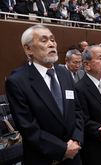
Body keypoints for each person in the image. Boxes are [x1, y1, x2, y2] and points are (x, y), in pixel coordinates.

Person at [5, 25, 83, 165]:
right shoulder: (17, 81)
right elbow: (28, 127)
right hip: (43, 159)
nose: (51, 44)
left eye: (53, 39)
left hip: (74, 156)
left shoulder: (64, 73)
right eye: (44, 40)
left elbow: (77, 110)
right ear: (28, 49)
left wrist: (76, 140)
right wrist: (62, 149)